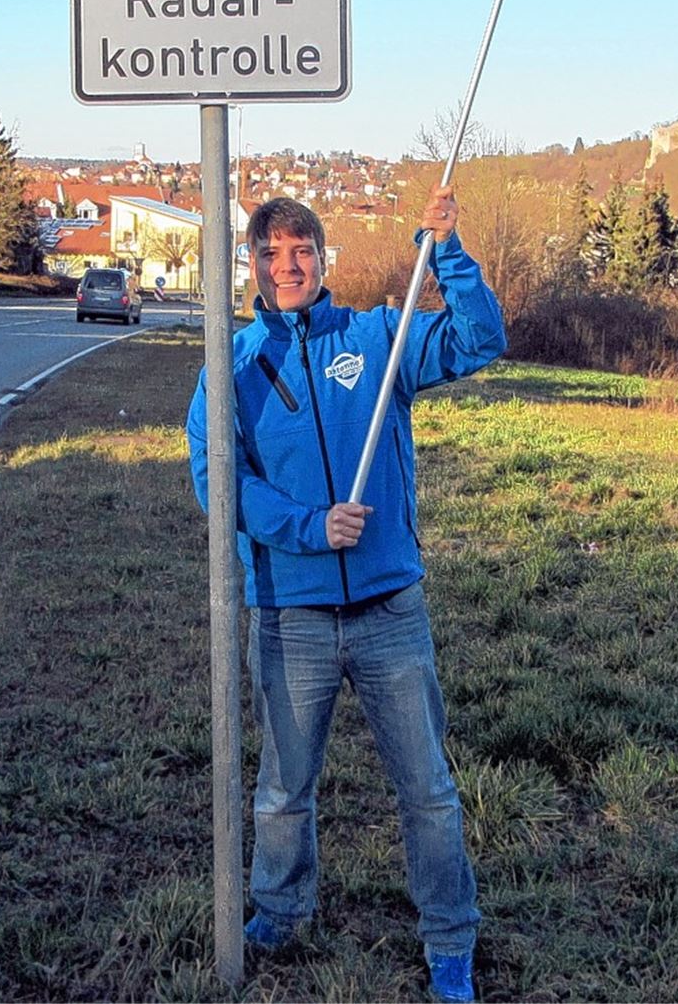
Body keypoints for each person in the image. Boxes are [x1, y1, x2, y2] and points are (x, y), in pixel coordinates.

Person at [186, 185, 506, 1003]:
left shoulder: (373, 335)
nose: (287, 266)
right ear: (252, 267)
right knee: (284, 790)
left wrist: (454, 254)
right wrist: (307, 526)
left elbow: (481, 337)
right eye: (271, 254)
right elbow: (219, 483)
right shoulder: (233, 368)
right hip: (291, 616)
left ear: (322, 259)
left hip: (388, 610)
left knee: (427, 790)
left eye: (302, 251)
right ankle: (281, 909)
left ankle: (450, 941)